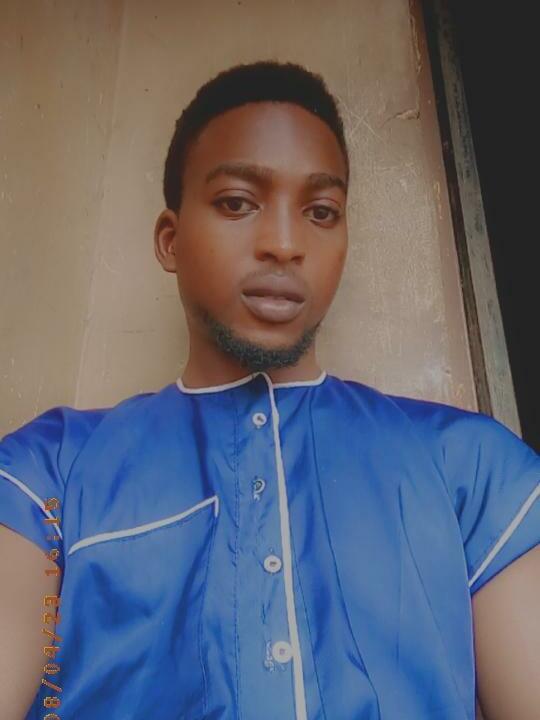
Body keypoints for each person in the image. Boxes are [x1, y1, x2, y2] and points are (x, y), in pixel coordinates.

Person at [0, 60, 538, 720]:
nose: (285, 244)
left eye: (321, 212)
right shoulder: (48, 472)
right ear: (170, 240)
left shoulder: (473, 473)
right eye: (237, 202)